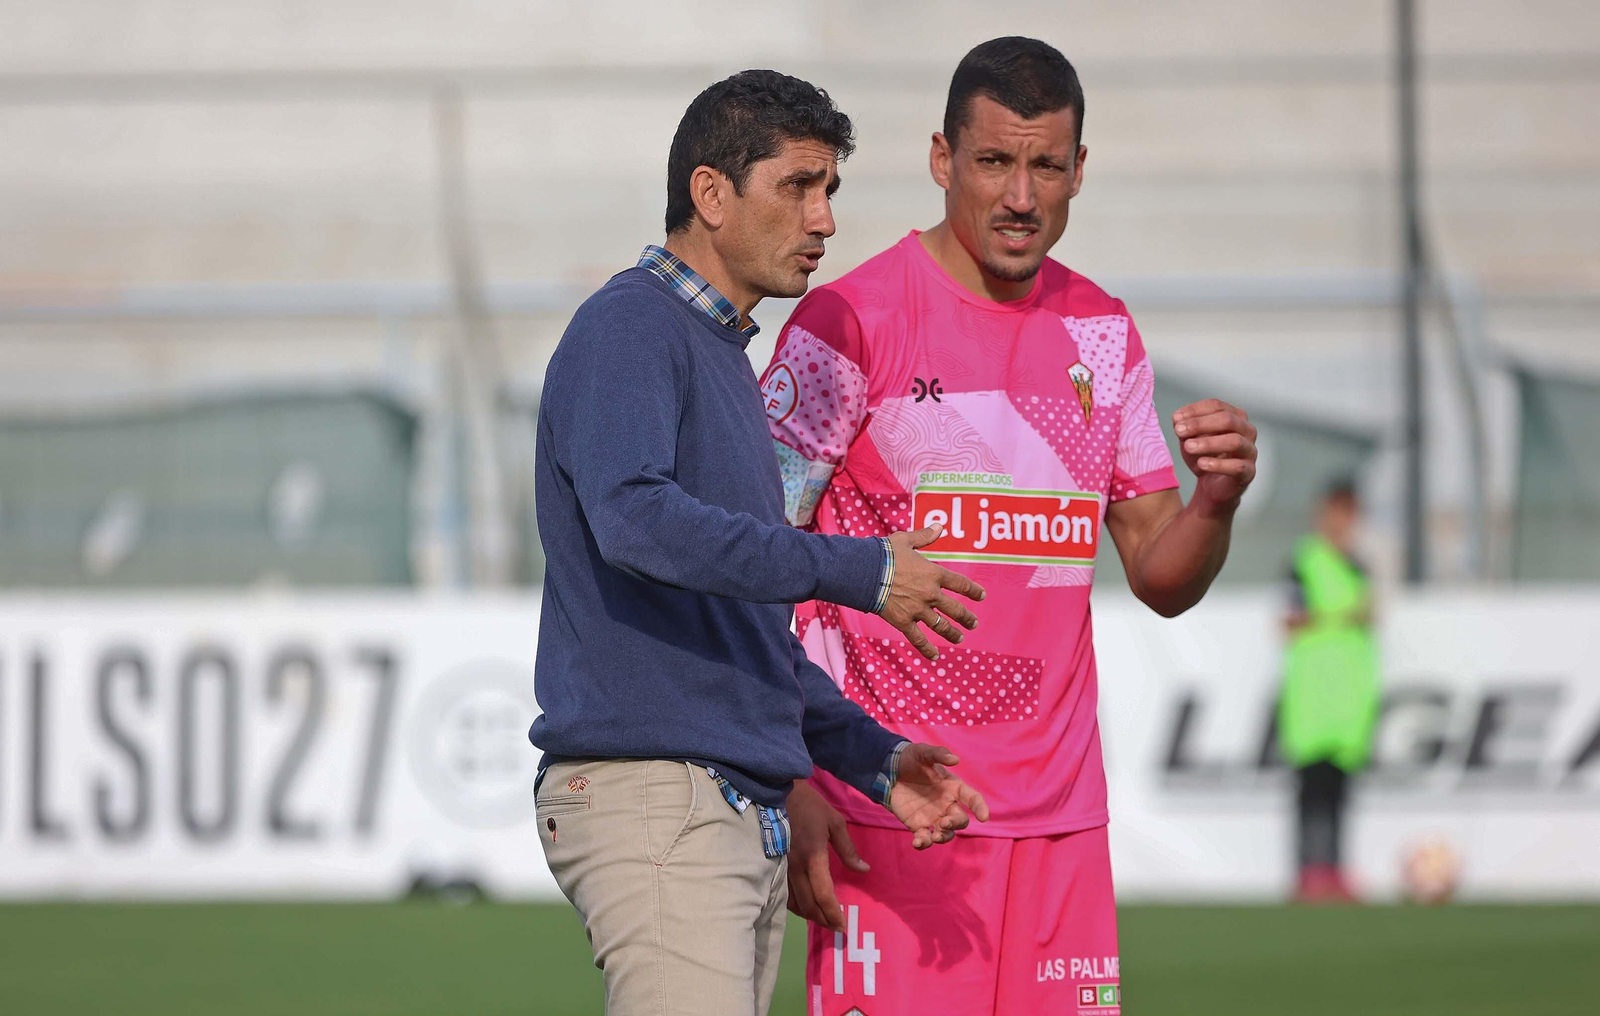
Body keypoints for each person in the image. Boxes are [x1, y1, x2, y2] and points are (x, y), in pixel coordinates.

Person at [759, 38, 1257, 1014]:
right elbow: (752, 563)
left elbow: (1160, 575)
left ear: (1080, 169)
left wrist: (1216, 500)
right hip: (892, 807)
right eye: (993, 161)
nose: (1021, 196)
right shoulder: (847, 323)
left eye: (1046, 166)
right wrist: (792, 778)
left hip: (1061, 823)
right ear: (942, 158)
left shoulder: (1102, 331)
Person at [529, 70, 991, 1016]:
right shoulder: (629, 325)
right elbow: (634, 521)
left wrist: (868, 754)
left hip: (717, 805)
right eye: (798, 186)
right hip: (659, 799)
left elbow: (741, 632)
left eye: (831, 190)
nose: (825, 219)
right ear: (711, 193)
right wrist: (861, 570)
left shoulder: (720, 356)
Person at [1280, 478, 1379, 903]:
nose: (1343, 522)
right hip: (1313, 694)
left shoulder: (1359, 565)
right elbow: (1290, 619)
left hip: (1349, 697)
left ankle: (1335, 870)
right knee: (1311, 790)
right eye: (1337, 512)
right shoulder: (1304, 561)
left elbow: (1370, 618)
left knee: (1340, 791)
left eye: (1350, 513)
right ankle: (1308, 871)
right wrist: (1340, 615)